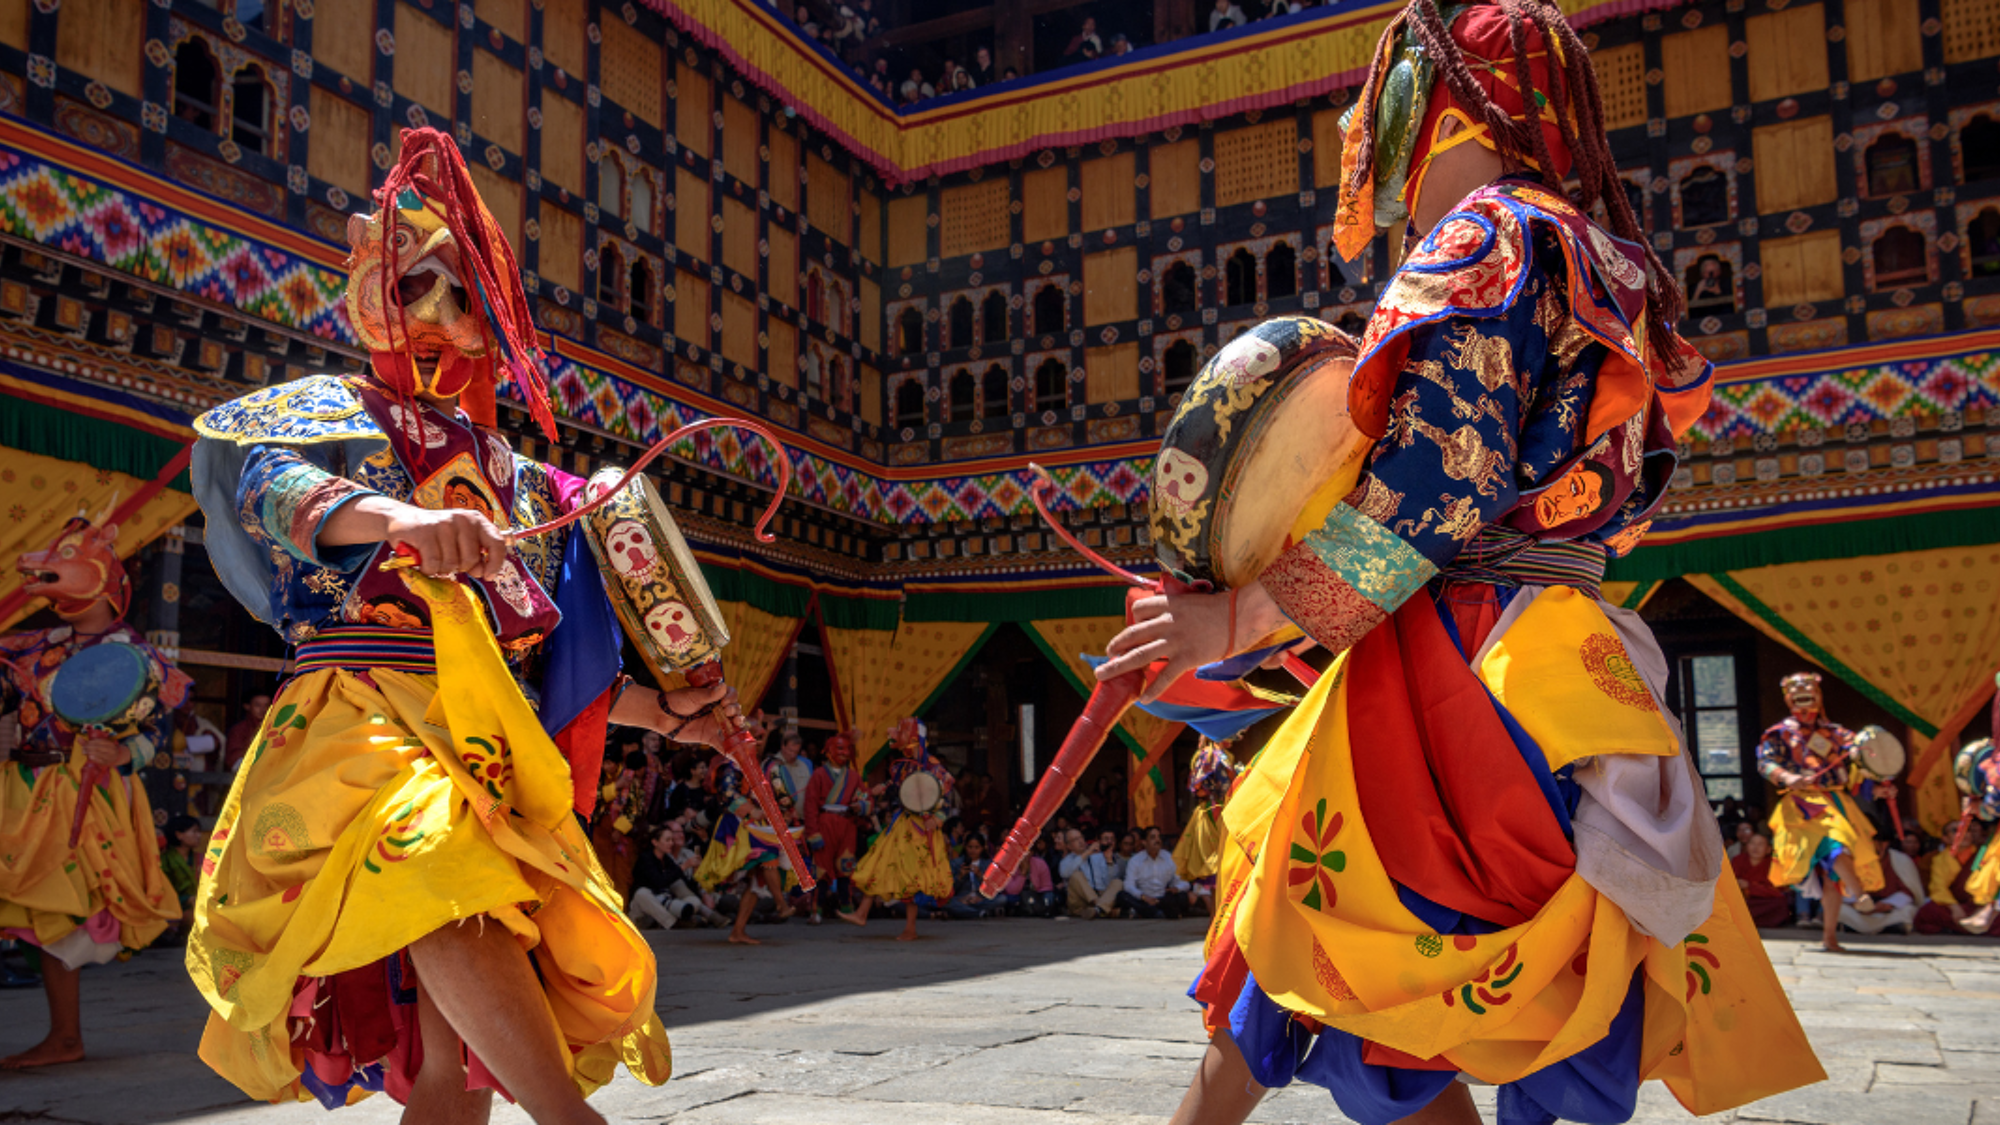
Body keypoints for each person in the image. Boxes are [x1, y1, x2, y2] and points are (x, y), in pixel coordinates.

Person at [1092, 3, 1821, 1121]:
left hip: (1453, 665)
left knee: (1306, 954)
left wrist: (1233, 620)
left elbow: (1438, 489)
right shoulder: (1600, 255)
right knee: (1481, 997)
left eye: (1383, 116)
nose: (1372, 156)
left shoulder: (1486, 237)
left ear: (1442, 110)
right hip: (1565, 655)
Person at [183, 129, 748, 1119]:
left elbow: (534, 662)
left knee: (450, 1064)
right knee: (436, 864)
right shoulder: (324, 414)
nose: (442, 318)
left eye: (467, 298)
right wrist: (406, 520)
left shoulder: (519, 479)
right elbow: (281, 492)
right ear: (369, 293)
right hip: (358, 714)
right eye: (418, 289)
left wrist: (666, 714)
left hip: (483, 728)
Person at [0, 516, 187, 1068]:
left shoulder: (134, 654)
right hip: (20, 786)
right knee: (33, 908)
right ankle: (63, 1036)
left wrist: (126, 753)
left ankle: (64, 1036)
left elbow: (158, 732)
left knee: (63, 912)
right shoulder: (31, 644)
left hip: (83, 796)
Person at [1759, 671, 1889, 952]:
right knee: (1837, 844)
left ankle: (1829, 936)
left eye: (1809, 693)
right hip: (1805, 805)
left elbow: (1860, 769)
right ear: (1788, 699)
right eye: (1797, 694)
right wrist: (1788, 777)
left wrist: (1877, 787)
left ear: (1819, 696)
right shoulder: (1779, 733)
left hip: (1839, 802)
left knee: (1834, 875)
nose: (1804, 699)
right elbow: (1766, 763)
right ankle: (1860, 894)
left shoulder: (1840, 734)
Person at [838, 718, 953, 941]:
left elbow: (946, 797)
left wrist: (938, 819)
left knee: (911, 876)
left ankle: (910, 928)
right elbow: (897, 788)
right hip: (901, 825)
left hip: (921, 829)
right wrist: (880, 789)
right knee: (878, 864)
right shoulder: (905, 765)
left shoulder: (934, 767)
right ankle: (861, 913)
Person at [803, 729, 866, 915]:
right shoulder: (819, 775)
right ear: (829, 750)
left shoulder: (854, 776)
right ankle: (816, 908)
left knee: (846, 865)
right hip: (825, 823)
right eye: (839, 748)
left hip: (846, 824)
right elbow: (810, 805)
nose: (843, 752)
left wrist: (860, 805)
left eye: (846, 749)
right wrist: (812, 832)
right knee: (821, 867)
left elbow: (865, 797)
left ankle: (846, 906)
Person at [1174, 739, 1236, 915]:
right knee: (1215, 864)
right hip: (1214, 811)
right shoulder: (1211, 755)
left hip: (1215, 810)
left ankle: (1216, 920)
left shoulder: (1213, 754)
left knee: (1216, 867)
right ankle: (1216, 920)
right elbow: (1213, 786)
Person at [629, 822, 726, 930]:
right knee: (641, 893)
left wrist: (695, 873)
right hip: (646, 907)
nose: (671, 843)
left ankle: (695, 916)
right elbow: (658, 882)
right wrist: (684, 866)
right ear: (655, 842)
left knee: (685, 892)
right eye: (667, 840)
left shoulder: (667, 860)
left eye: (671, 840)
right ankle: (674, 923)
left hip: (666, 904)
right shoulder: (645, 859)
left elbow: (685, 884)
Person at [1839, 837, 1924, 936]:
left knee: (1909, 910)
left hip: (1888, 908)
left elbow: (1908, 892)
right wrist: (1858, 904)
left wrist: (1887, 904)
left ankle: (1889, 927)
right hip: (1859, 907)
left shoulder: (1900, 860)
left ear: (1885, 844)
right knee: (1840, 909)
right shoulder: (1853, 857)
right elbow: (1844, 888)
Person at [1119, 828, 1191, 919]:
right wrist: (1143, 897)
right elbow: (1128, 885)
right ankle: (1158, 913)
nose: (1157, 840)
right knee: (1122, 896)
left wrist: (1176, 888)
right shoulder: (1135, 860)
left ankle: (1148, 913)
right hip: (1143, 899)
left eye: (1159, 837)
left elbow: (1184, 882)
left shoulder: (1169, 858)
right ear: (1144, 842)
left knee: (1182, 896)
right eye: (1153, 837)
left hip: (1163, 899)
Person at [1729, 832, 1793, 928]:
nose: (1756, 847)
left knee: (1780, 903)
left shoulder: (1773, 864)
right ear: (1747, 846)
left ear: (1768, 849)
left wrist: (1750, 886)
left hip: (1763, 901)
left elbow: (1776, 891)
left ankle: (1744, 920)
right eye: (1752, 843)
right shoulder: (1738, 860)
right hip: (1742, 900)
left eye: (1760, 844)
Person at [1059, 828, 1121, 919]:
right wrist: (1086, 853)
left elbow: (1109, 881)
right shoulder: (1067, 860)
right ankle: (1103, 909)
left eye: (1081, 838)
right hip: (1080, 901)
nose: (1080, 841)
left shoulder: (1098, 856)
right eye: (1075, 839)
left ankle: (1098, 910)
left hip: (1100, 894)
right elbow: (1065, 873)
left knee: (1118, 882)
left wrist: (1109, 862)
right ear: (1069, 846)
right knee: (1076, 875)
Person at [222, 693, 269, 771]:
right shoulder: (239, 730)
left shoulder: (275, 727)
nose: (263, 709)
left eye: (266, 705)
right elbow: (233, 760)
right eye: (258, 705)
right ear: (247, 706)